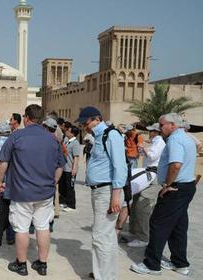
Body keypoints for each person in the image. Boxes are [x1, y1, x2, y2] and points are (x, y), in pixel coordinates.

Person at [0, 104, 65, 276]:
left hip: (21, 192)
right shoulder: (52, 139)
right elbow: (60, 166)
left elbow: (3, 162)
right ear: (41, 119)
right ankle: (42, 264)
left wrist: (0, 181)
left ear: (26, 118)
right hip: (45, 192)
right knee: (43, 227)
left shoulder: (16, 136)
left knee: (22, 228)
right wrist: (53, 183)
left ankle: (21, 264)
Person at [131, 113, 197, 276]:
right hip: (186, 187)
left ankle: (152, 264)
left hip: (175, 188)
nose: (159, 129)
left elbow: (175, 165)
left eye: (162, 125)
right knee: (178, 226)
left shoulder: (175, 139)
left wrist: (167, 184)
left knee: (158, 223)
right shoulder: (187, 138)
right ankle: (180, 263)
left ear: (172, 125)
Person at [75, 106, 126, 280]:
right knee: (107, 237)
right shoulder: (97, 136)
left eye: (86, 122)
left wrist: (116, 196)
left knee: (100, 236)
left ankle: (103, 276)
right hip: (100, 191)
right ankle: (105, 274)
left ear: (96, 119)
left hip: (107, 191)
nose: (84, 126)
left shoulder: (111, 135)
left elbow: (120, 166)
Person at [126, 123, 165, 247]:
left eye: (152, 131)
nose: (150, 133)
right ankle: (134, 232)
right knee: (135, 202)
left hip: (153, 176)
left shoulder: (159, 141)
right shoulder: (155, 141)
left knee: (142, 206)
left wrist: (144, 147)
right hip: (147, 174)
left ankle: (143, 237)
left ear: (156, 132)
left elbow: (152, 156)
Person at [59, 125, 81, 212]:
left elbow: (76, 157)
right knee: (63, 186)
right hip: (64, 168)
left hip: (70, 168)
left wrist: (74, 168)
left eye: (68, 130)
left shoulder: (75, 143)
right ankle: (64, 202)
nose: (66, 131)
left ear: (72, 133)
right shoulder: (67, 141)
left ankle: (71, 205)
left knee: (70, 187)